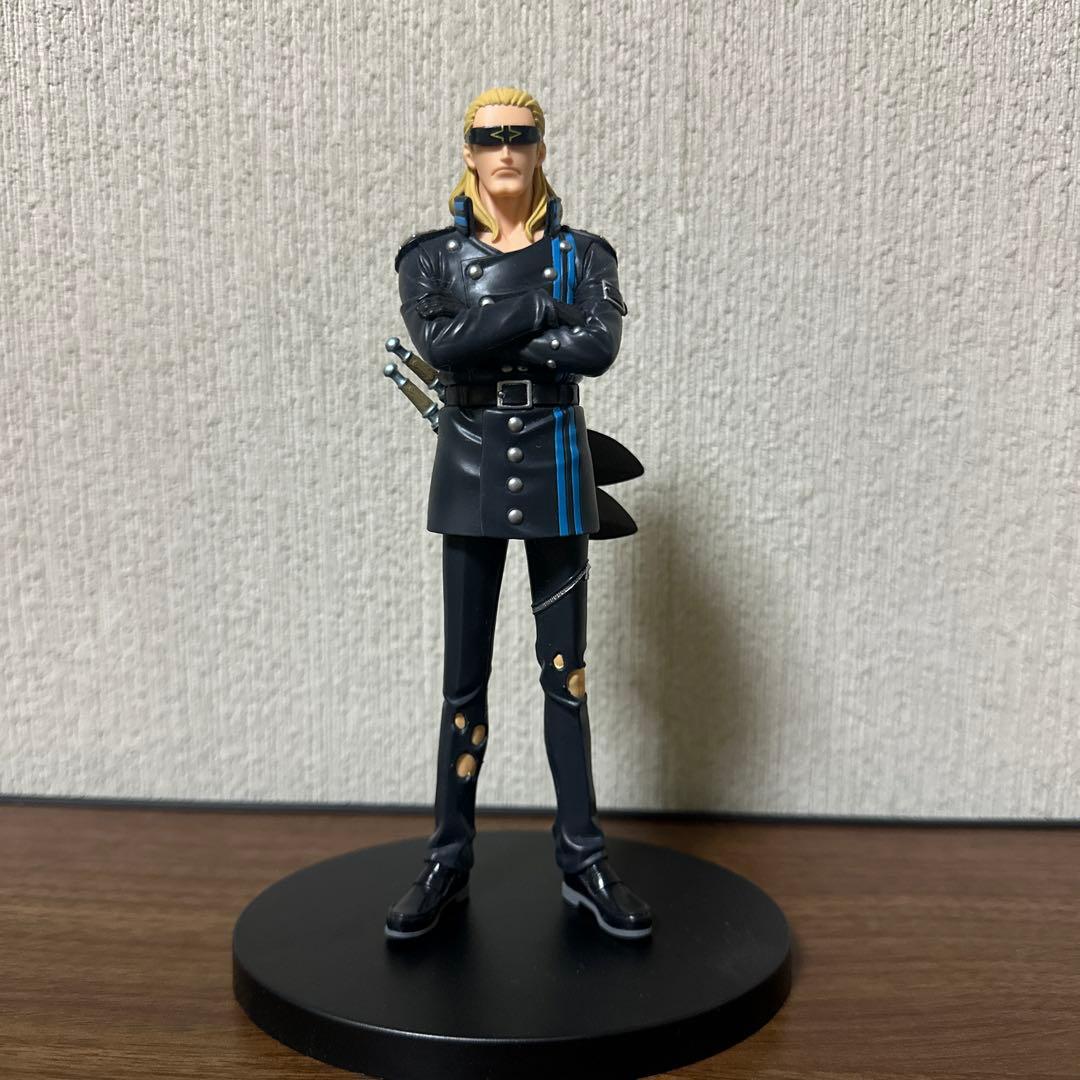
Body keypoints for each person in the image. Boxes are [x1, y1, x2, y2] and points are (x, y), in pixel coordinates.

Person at [385, 86, 652, 941]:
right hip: (468, 464)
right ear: (468, 150)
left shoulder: (585, 254)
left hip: (557, 466)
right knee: (462, 679)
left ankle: (583, 858)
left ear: (540, 147)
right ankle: (447, 857)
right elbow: (439, 345)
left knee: (565, 677)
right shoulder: (430, 258)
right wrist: (539, 309)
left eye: (520, 135)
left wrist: (486, 329)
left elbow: (596, 348)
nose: (505, 149)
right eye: (489, 136)